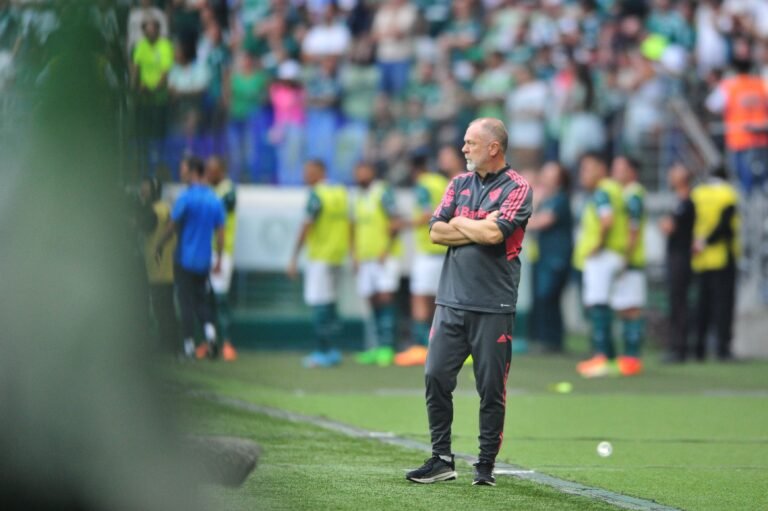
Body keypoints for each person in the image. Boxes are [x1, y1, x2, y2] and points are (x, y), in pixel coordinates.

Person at [406, 118, 532, 486]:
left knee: (491, 388)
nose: (464, 149)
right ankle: (442, 458)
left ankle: (485, 466)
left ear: (494, 147)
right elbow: (434, 231)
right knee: (435, 376)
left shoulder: (519, 188)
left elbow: (496, 234)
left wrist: (460, 224)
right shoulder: (458, 184)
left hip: (493, 305)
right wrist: (470, 223)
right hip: (451, 302)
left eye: (470, 142)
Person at [155, 155, 225, 359]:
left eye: (183, 169)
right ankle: (211, 337)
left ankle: (188, 347)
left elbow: (172, 226)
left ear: (194, 171)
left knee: (185, 302)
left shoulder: (186, 198)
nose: (181, 173)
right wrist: (219, 258)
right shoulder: (214, 199)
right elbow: (220, 233)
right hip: (204, 260)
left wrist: (160, 244)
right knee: (201, 301)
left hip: (185, 258)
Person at [288, 159, 350, 368]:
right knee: (330, 303)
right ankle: (332, 349)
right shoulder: (340, 192)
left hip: (320, 257)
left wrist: (294, 257)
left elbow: (307, 225)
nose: (306, 176)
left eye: (309, 172)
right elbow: (350, 223)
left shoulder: (317, 195)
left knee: (319, 304)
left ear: (320, 172)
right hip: (337, 255)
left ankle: (323, 351)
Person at [572, 152, 627, 378]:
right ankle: (610, 357)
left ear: (601, 168)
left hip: (602, 256)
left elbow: (607, 220)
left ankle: (601, 357)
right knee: (602, 304)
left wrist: (597, 245)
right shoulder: (613, 189)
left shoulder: (603, 191)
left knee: (598, 305)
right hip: (612, 254)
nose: (583, 174)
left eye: (587, 168)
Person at [395, 156, 448, 367]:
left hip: (428, 250)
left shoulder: (423, 186)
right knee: (440, 300)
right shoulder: (443, 183)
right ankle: (443, 346)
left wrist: (405, 223)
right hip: (445, 248)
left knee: (419, 298)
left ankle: (421, 347)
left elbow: (427, 214)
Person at [351, 162, 402, 367]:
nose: (360, 174)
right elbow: (353, 227)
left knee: (385, 297)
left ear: (372, 172)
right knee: (371, 299)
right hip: (365, 258)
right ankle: (376, 347)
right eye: (358, 171)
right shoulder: (358, 197)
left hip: (383, 257)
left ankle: (388, 347)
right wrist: (354, 254)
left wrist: (386, 249)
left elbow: (395, 222)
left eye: (364, 170)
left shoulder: (383, 192)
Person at [691, 165, 741, 361]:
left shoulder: (698, 193)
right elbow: (725, 226)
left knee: (702, 305)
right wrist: (708, 241)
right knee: (723, 306)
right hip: (723, 257)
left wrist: (698, 243)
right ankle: (722, 348)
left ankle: (699, 349)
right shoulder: (728, 194)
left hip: (700, 259)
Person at [705, 48, 768, 195]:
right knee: (762, 182)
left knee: (744, 184)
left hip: (739, 141)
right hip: (762, 140)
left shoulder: (729, 86)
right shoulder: (761, 84)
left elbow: (711, 105)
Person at [527, 161, 573, 353]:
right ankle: (545, 339)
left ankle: (552, 340)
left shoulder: (560, 200)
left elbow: (541, 222)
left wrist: (515, 222)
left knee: (548, 296)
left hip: (556, 258)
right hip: (544, 256)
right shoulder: (547, 199)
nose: (544, 177)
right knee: (543, 297)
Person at [610, 155, 648, 376]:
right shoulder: (624, 193)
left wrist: (626, 256)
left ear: (632, 172)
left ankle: (633, 357)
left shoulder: (634, 195)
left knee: (631, 308)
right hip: (626, 259)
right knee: (624, 307)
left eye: (620, 168)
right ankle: (628, 357)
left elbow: (633, 228)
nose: (616, 172)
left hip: (631, 261)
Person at [139, 176, 180, 354]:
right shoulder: (166, 209)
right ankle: (172, 344)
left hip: (156, 267)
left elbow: (143, 227)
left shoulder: (153, 211)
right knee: (168, 308)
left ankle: (166, 344)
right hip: (168, 265)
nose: (142, 192)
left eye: (145, 189)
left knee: (161, 310)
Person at [659, 164, 695, 363]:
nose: (670, 175)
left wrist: (666, 224)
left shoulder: (686, 203)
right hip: (676, 255)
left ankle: (680, 348)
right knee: (675, 301)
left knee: (679, 302)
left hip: (681, 256)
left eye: (674, 172)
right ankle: (675, 345)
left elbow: (668, 226)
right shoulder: (678, 202)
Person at [203, 155, 237, 361]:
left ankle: (227, 343)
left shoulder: (229, 190)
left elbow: (219, 212)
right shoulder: (209, 191)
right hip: (206, 251)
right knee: (206, 298)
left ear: (221, 171)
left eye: (212, 169)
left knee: (221, 298)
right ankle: (210, 341)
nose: (208, 173)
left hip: (223, 253)